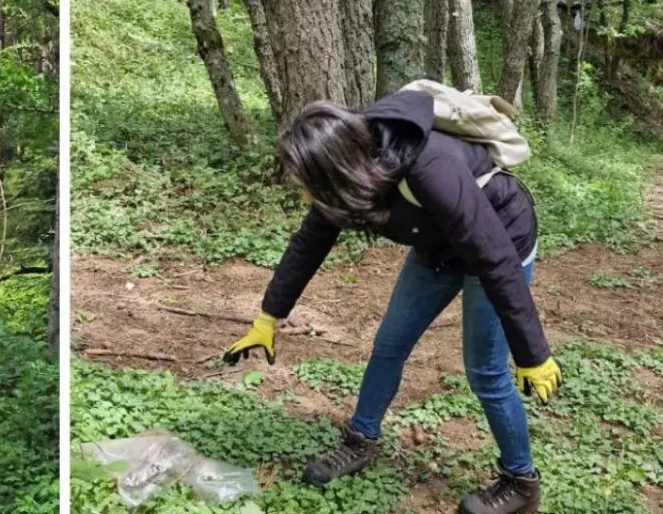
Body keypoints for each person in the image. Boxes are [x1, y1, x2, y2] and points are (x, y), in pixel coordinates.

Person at [222, 92, 562, 514]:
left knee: (486, 372)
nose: (304, 195)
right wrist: (268, 316)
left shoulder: (429, 166)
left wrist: (532, 353)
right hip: (437, 247)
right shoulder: (349, 172)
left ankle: (521, 482)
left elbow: (494, 256)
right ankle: (360, 440)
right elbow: (308, 243)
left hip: (500, 240)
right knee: (389, 344)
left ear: (331, 171)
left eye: (304, 186)